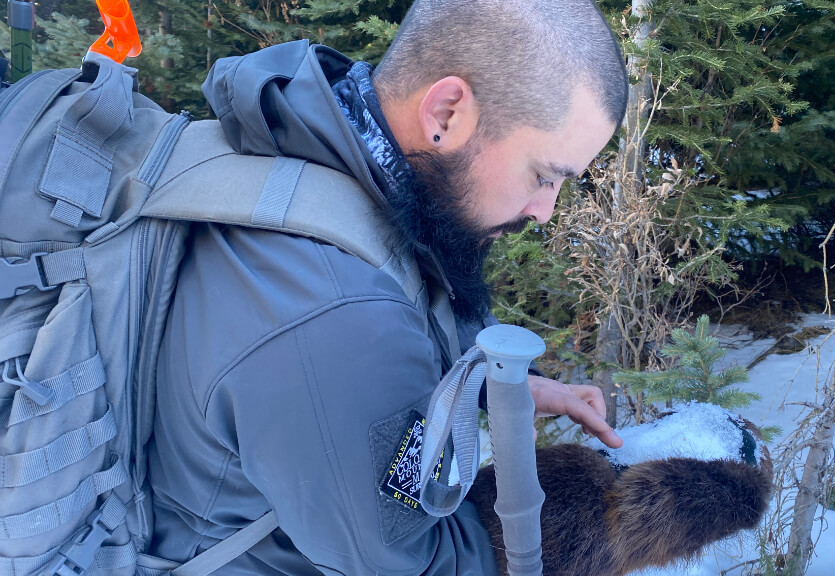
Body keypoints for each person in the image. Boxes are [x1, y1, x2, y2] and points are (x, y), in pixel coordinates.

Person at [145, 0, 629, 573]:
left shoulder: (326, 155)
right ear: (446, 112)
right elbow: (427, 562)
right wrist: (625, 520)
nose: (545, 210)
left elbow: (406, 282)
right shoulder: (335, 319)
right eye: (545, 175)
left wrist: (493, 380)